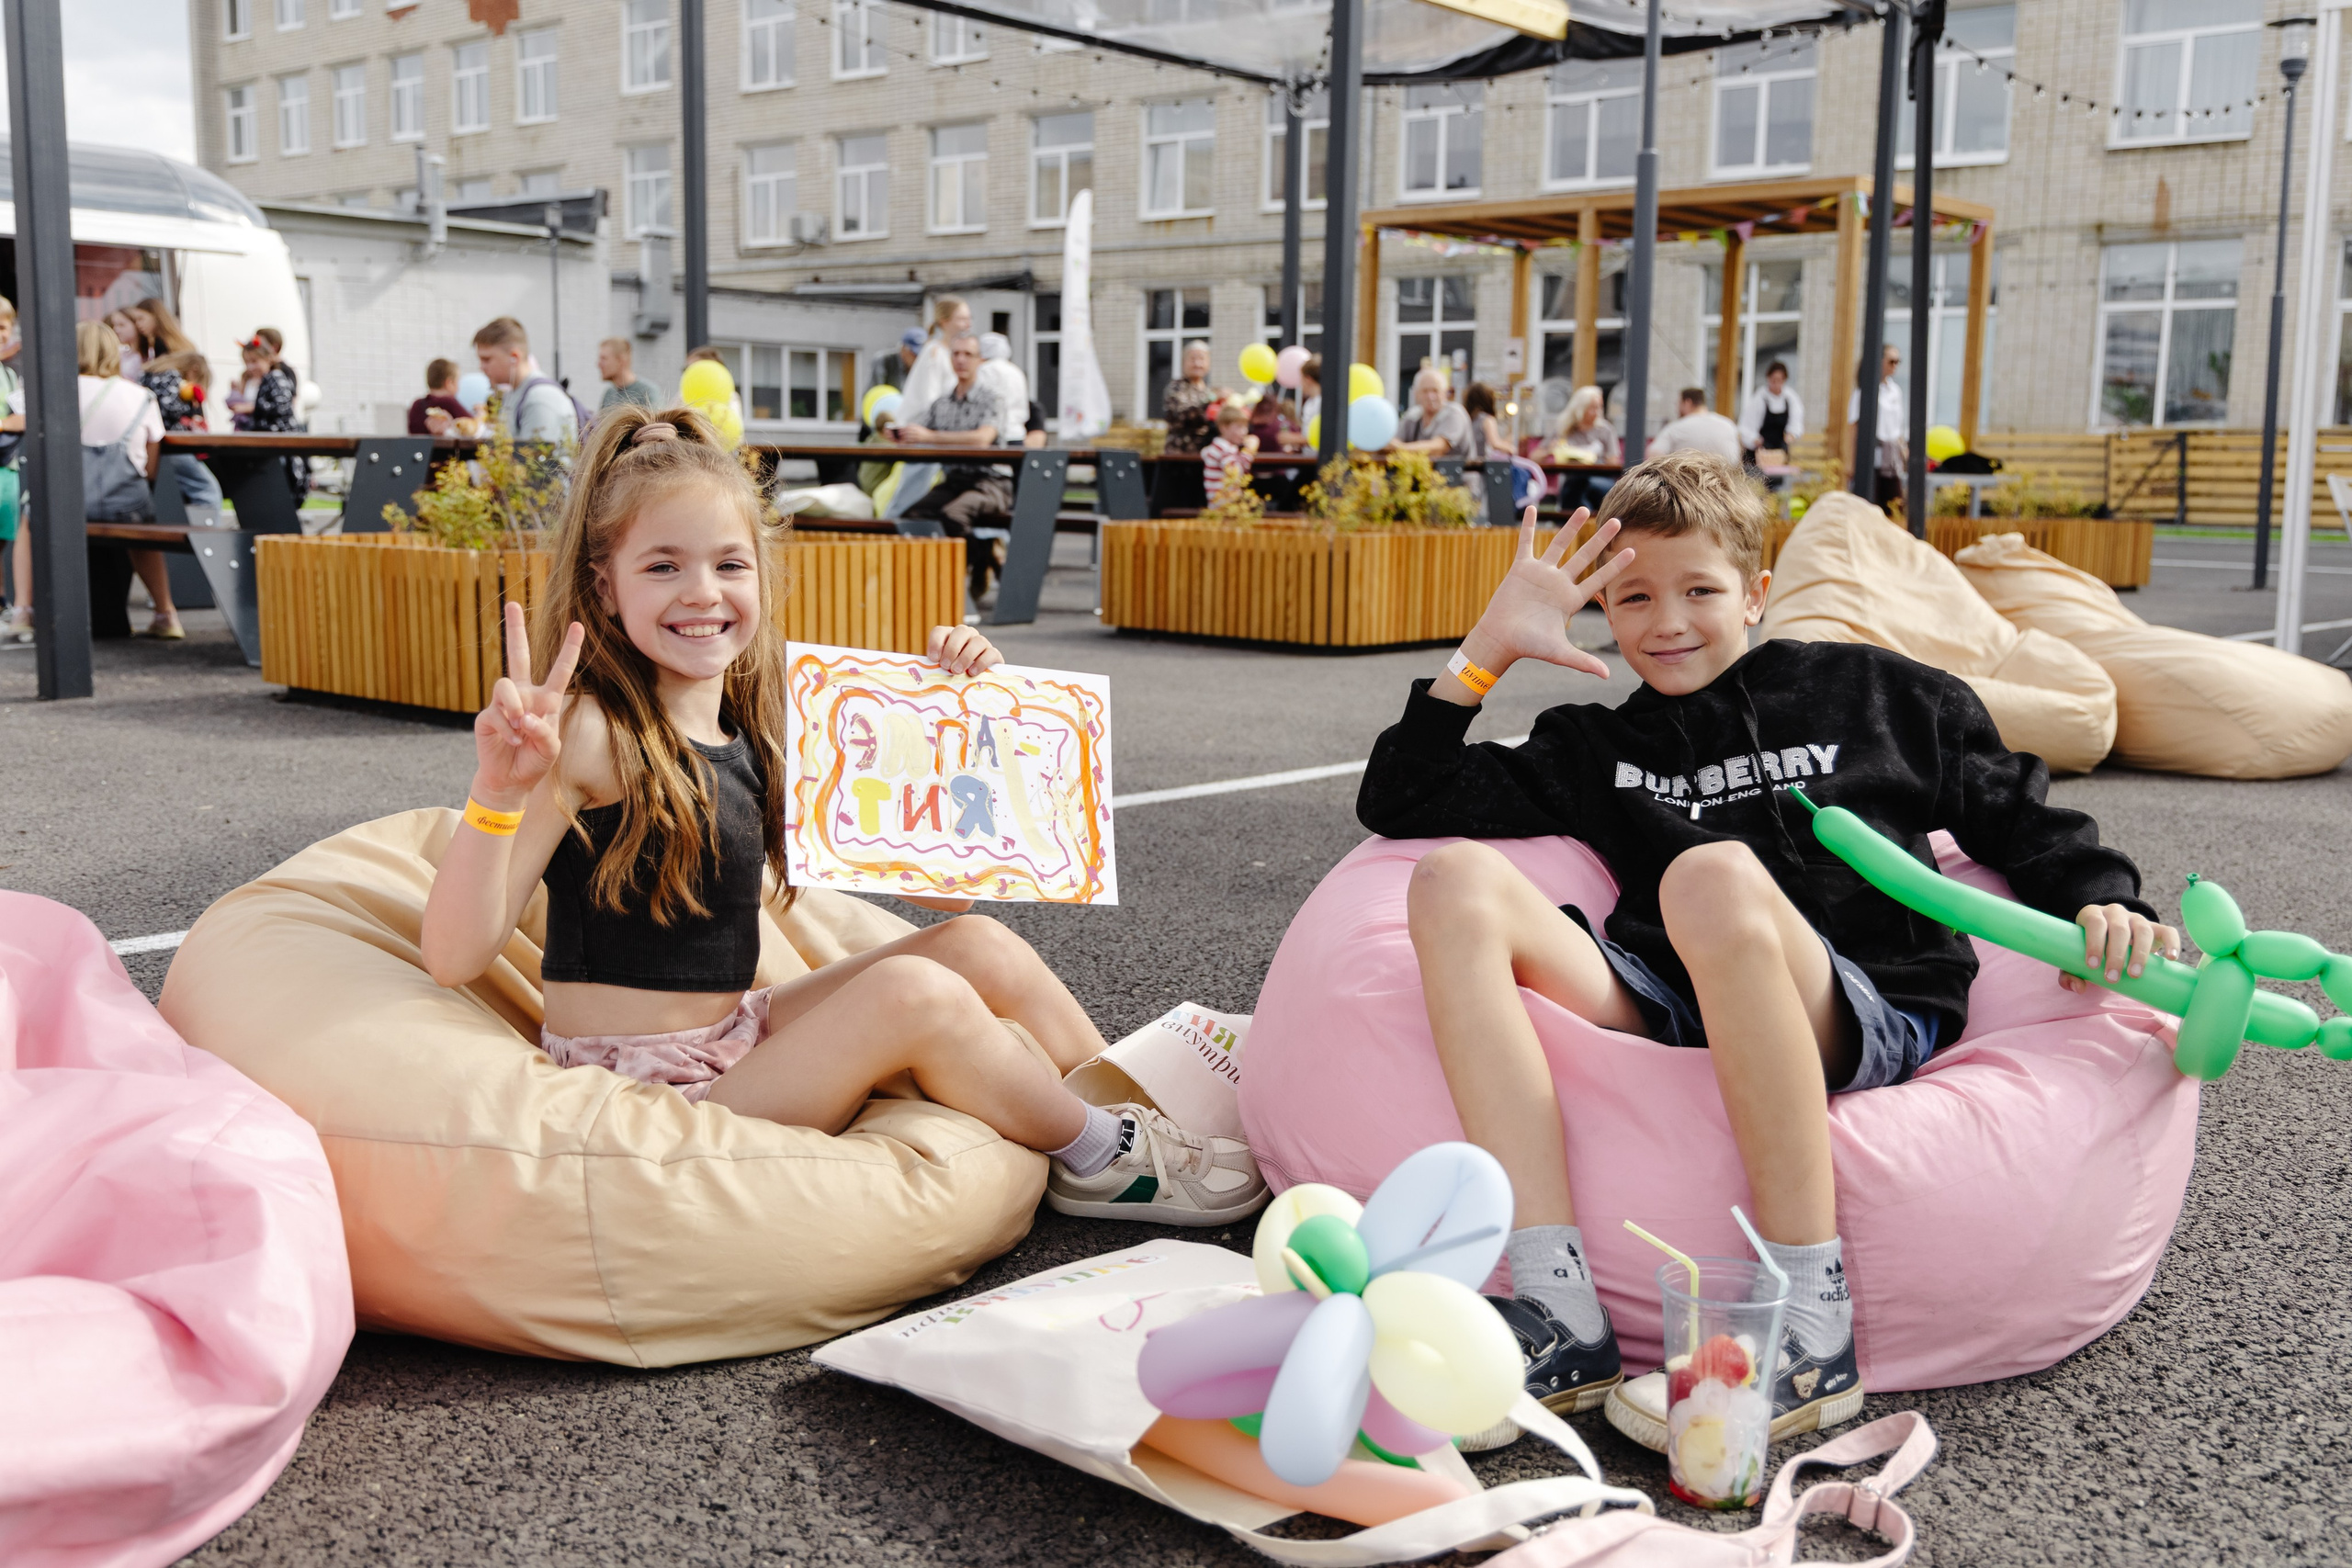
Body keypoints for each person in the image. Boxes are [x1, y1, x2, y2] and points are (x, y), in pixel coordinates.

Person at [1355, 450, 2176, 1442]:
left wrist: (2102, 898)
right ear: (1601, 614)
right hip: (1668, 995)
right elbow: (1397, 801)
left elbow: (2016, 814)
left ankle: (1808, 1329)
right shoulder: (1596, 747)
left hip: (1861, 1004)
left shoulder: (1876, 695)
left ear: (1757, 593)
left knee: (1707, 873)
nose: (1665, 623)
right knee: (1450, 882)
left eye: (1699, 590)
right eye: (1630, 598)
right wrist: (1484, 649)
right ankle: (1558, 1307)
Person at [416, 403, 1265, 1226]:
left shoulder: (755, 717)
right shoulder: (589, 731)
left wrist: (960, 702)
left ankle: (1139, 1099)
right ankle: (1102, 1155)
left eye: (729, 564)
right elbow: (454, 955)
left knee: (975, 945)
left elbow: (930, 862)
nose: (701, 593)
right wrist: (499, 790)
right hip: (657, 1089)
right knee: (915, 994)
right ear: (605, 588)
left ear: (761, 572)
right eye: (663, 566)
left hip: (733, 1031)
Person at [77, 320, 179, 638]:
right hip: (125, 503)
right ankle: (165, 612)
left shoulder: (53, 391)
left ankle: (27, 608)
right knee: (144, 526)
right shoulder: (141, 396)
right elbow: (149, 467)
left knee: (30, 516)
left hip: (70, 504)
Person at [895, 333, 1011, 594]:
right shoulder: (942, 402)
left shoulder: (992, 398)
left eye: (968, 354)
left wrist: (931, 437)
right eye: (956, 354)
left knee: (953, 515)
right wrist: (900, 434)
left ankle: (969, 572)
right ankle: (983, 558)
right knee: (914, 516)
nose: (960, 360)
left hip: (991, 481)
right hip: (956, 480)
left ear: (980, 360)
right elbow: (920, 433)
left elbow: (983, 438)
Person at [141, 347, 224, 511]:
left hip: (151, 443)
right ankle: (206, 533)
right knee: (207, 490)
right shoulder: (172, 375)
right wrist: (191, 405)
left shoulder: (147, 375)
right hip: (173, 445)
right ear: (193, 371)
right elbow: (169, 408)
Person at [475, 317, 578, 447]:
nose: (481, 367)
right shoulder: (516, 393)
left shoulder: (540, 397)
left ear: (514, 357)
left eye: (487, 359)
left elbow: (538, 464)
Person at [235, 328, 308, 499]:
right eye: (247, 363)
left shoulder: (276, 376)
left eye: (254, 361)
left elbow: (282, 407)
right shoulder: (266, 380)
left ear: (268, 358)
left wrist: (254, 409)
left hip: (281, 444)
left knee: (280, 487)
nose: (250, 367)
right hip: (271, 443)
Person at [1848, 345, 1906, 508]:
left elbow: (1898, 426)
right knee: (1869, 503)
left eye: (1898, 362)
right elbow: (1854, 428)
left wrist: (1903, 452)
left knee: (1894, 504)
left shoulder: (1895, 391)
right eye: (1891, 361)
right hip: (1870, 454)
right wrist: (1852, 462)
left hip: (1891, 457)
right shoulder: (1863, 391)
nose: (1895, 365)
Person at [0, 298, 25, 644]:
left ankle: (5, 601)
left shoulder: (10, 373)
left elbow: (22, 414)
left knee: (6, 536)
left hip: (7, 464)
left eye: (2, 327)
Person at [1394, 367, 1476, 459]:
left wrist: (1399, 448)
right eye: (1425, 391)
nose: (1430, 396)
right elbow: (1395, 440)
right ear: (1416, 393)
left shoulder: (1454, 413)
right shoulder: (1413, 415)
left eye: (1435, 391)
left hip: (1456, 472)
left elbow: (1438, 448)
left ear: (1445, 393)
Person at [1159, 339, 1223, 458]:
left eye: (1202, 359)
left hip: (1206, 455)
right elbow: (1181, 415)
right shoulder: (1176, 387)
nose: (1197, 364)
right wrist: (1212, 400)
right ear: (1184, 362)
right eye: (1193, 359)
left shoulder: (1208, 390)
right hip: (1181, 454)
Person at [1646, 387, 1743, 464]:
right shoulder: (1728, 424)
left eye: (1678, 404)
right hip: (1723, 483)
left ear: (1687, 402)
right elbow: (1736, 458)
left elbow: (1653, 455)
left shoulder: (1676, 428)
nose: (1676, 409)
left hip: (1688, 484)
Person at [1738, 360, 1804, 468]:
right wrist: (1755, 439)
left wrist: (1791, 435)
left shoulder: (1791, 398)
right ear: (1768, 378)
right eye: (1773, 380)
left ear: (1784, 380)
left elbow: (1796, 423)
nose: (1776, 383)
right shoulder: (1759, 398)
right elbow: (1746, 426)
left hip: (1780, 452)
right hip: (1759, 453)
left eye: (1779, 380)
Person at [1201, 398, 1257, 504]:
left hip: (1223, 504)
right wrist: (1249, 451)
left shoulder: (1220, 447)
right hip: (1224, 505)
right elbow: (1236, 474)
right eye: (1239, 427)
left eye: (1246, 427)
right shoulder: (1224, 448)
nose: (1244, 432)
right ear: (1224, 428)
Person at [597, 338, 659, 412]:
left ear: (621, 360)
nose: (599, 364)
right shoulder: (609, 394)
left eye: (604, 359)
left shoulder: (648, 392)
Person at [870, 326, 924, 398]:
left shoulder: (923, 366)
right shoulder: (885, 361)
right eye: (914, 354)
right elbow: (876, 394)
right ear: (903, 349)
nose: (917, 359)